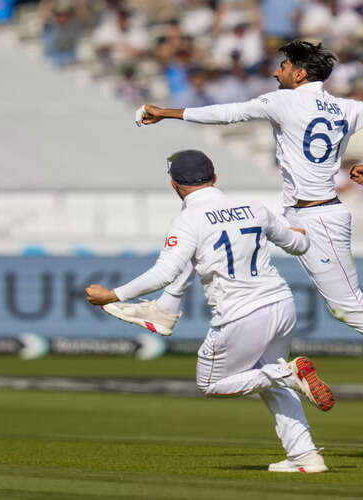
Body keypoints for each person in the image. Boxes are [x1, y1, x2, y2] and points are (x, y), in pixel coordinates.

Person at [132, 40, 363, 430]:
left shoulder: (284, 102)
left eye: (282, 66)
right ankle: (165, 308)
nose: (275, 72)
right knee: (215, 227)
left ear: (300, 73)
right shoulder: (348, 107)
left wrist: (167, 112)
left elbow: (228, 113)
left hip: (318, 217)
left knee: (347, 304)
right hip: (301, 213)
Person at [85, 150, 333, 472]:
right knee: (267, 379)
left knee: (213, 384)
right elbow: (298, 245)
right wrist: (298, 230)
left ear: (174, 185)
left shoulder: (189, 219)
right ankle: (305, 456)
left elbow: (164, 272)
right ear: (215, 177)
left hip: (240, 314)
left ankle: (287, 373)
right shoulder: (253, 207)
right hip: (281, 304)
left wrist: (112, 295)